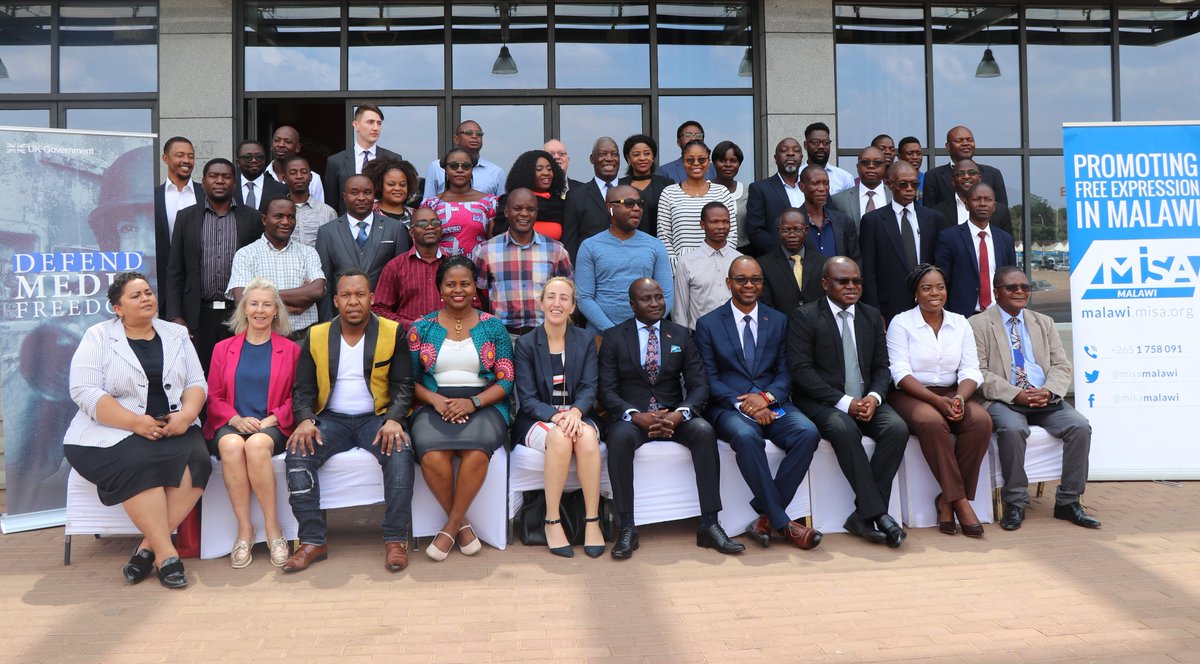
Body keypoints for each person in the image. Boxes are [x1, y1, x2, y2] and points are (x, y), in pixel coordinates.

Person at [63, 272, 208, 588]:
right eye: (136, 295)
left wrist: (187, 414)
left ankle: (146, 547)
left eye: (148, 292)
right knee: (140, 462)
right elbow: (84, 390)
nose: (146, 298)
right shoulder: (98, 336)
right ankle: (167, 554)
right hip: (110, 431)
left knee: (199, 460)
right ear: (117, 308)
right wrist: (134, 422)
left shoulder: (176, 334)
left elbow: (197, 382)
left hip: (170, 425)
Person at [598, 278, 743, 559]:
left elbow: (699, 384)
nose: (655, 304)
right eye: (646, 299)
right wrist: (635, 415)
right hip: (635, 417)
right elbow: (607, 390)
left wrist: (681, 413)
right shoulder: (615, 337)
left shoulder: (681, 335)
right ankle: (627, 526)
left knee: (703, 431)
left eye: (659, 297)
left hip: (673, 415)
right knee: (618, 438)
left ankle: (710, 524)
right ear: (632, 304)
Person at [283, 269, 415, 573]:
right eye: (346, 295)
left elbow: (403, 385)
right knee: (298, 453)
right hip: (331, 420)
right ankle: (313, 540)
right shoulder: (316, 335)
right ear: (336, 300)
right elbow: (303, 388)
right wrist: (304, 419)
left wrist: (394, 419)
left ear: (371, 298)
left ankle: (395, 540)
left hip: (377, 418)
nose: (353, 301)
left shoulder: (392, 332)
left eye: (359, 294)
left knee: (399, 453)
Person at [694, 258, 824, 551]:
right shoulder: (708, 324)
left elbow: (787, 372)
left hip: (773, 402)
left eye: (755, 280)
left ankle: (764, 515)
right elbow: (708, 379)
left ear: (762, 284)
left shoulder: (778, 320)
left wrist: (765, 399)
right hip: (729, 406)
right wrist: (745, 405)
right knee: (746, 436)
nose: (749, 285)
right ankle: (784, 522)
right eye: (741, 280)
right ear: (729, 283)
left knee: (807, 432)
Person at [788, 257, 909, 547]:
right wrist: (844, 402)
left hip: (867, 398)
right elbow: (801, 371)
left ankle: (862, 516)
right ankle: (879, 513)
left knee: (897, 428)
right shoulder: (805, 317)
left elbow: (882, 367)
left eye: (857, 281)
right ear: (825, 283)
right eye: (844, 281)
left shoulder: (870, 315)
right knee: (844, 429)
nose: (852, 287)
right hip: (823, 401)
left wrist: (874, 397)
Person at [970, 266, 1099, 531]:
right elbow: (978, 372)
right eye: (1012, 287)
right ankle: (1015, 503)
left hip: (1044, 398)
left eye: (1025, 287)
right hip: (1005, 399)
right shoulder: (977, 324)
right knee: (1013, 429)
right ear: (996, 292)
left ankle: (1068, 502)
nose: (1020, 292)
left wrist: (1049, 391)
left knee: (1080, 426)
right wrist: (1017, 394)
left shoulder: (1044, 322)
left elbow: (1061, 365)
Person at [406, 256, 514, 561]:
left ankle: (451, 527)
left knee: (477, 451)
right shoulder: (421, 327)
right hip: (433, 402)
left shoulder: (493, 326)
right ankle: (463, 526)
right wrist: (436, 400)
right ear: (439, 287)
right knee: (431, 453)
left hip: (485, 404)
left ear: (474, 287)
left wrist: (474, 402)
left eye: (465, 283)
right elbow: (407, 380)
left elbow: (506, 381)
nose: (458, 290)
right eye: (450, 284)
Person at [886, 264, 991, 538]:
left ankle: (946, 499)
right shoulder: (901, 322)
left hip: (953, 391)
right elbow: (900, 372)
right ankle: (961, 503)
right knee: (931, 421)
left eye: (940, 287)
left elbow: (971, 370)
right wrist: (935, 400)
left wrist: (959, 397)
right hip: (912, 393)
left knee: (980, 421)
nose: (935, 293)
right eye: (927, 288)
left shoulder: (960, 322)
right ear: (915, 294)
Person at [204, 277, 301, 568]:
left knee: (257, 445)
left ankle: (273, 529)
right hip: (230, 421)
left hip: (272, 424)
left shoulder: (291, 350)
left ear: (276, 311)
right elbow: (213, 396)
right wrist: (234, 418)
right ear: (244, 308)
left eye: (267, 304)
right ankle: (244, 529)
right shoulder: (223, 348)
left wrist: (273, 418)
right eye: (254, 303)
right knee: (232, 446)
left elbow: (298, 396)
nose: (260, 310)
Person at [512, 277, 604, 558]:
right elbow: (526, 399)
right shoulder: (527, 344)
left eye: (564, 298)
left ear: (573, 306)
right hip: (539, 417)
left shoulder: (586, 340)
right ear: (541, 303)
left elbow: (590, 387)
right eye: (551, 297)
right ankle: (552, 520)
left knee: (587, 437)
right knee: (561, 439)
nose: (557, 303)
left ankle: (592, 521)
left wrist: (575, 412)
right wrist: (558, 417)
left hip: (577, 413)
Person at [164, 158, 263, 373]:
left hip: (239, 313)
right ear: (203, 182)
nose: (220, 181)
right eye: (213, 176)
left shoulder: (252, 218)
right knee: (200, 375)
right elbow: (175, 271)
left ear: (234, 183)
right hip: (198, 315)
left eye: (226, 177)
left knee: (237, 373)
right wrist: (175, 316)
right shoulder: (186, 217)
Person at [473, 188, 573, 337]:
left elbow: (568, 293)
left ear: (536, 213)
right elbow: (478, 295)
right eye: (517, 209)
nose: (524, 214)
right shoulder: (486, 251)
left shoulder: (556, 251)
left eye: (530, 209)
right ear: (507, 212)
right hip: (503, 336)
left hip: (545, 335)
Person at [575, 185, 674, 334]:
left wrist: (642, 328)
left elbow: (666, 294)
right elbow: (584, 297)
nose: (637, 208)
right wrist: (613, 332)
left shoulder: (655, 245)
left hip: (646, 335)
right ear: (610, 208)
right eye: (629, 203)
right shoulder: (590, 246)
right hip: (602, 337)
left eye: (640, 204)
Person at [314, 174, 411, 319]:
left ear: (374, 195)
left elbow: (403, 280)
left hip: (386, 319)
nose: (361, 198)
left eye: (367, 192)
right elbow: (325, 285)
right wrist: (327, 324)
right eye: (354, 193)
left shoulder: (395, 228)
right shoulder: (327, 232)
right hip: (341, 318)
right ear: (344, 196)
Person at [226, 198, 325, 338]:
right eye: (279, 216)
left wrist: (261, 297)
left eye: (290, 217)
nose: (285, 222)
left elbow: (317, 290)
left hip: (303, 340)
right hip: (263, 341)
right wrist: (297, 299)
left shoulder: (308, 252)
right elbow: (241, 298)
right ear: (264, 219)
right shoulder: (246, 254)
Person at [860, 161, 945, 322]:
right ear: (890, 185)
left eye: (914, 184)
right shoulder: (873, 221)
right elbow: (868, 272)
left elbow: (939, 264)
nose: (909, 189)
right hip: (889, 306)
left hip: (929, 303)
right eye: (903, 184)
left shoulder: (933, 218)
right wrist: (874, 313)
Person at [934, 183, 1017, 317]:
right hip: (962, 315)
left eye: (988, 200)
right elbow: (942, 280)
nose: (983, 203)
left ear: (994, 206)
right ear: (966, 204)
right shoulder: (949, 237)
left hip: (999, 313)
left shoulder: (1005, 239)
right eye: (977, 199)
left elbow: (1012, 278)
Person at [372, 207, 463, 329]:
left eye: (435, 223)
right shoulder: (395, 267)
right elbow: (379, 309)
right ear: (411, 232)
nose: (430, 227)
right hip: (409, 340)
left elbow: (472, 304)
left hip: (450, 339)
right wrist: (412, 326)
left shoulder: (455, 266)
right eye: (422, 224)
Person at [656, 140, 739, 265]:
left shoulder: (722, 192)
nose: (696, 164)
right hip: (680, 266)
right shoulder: (669, 193)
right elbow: (664, 236)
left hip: (718, 264)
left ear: (708, 162)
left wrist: (721, 262)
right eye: (690, 160)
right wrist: (677, 268)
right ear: (683, 162)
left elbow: (732, 233)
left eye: (701, 160)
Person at [672, 202, 741, 329]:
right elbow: (680, 310)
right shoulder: (686, 262)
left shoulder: (740, 260)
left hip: (736, 332)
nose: (721, 226)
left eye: (726, 221)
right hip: (700, 335)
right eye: (714, 222)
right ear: (702, 225)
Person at [324, 104, 402, 214]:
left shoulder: (393, 159)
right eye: (370, 122)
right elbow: (331, 204)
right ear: (356, 125)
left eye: (379, 123)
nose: (376, 128)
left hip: (385, 225)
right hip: (347, 226)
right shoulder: (336, 161)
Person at [420, 148, 498, 257]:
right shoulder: (430, 204)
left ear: (471, 170)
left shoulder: (490, 203)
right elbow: (422, 242)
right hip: (440, 270)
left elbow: (493, 243)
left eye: (465, 166)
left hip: (479, 269)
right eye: (453, 166)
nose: (460, 170)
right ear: (446, 170)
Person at [561, 137, 622, 260]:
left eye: (614, 154)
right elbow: (570, 245)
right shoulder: (576, 196)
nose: (609, 159)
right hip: (590, 270)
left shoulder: (633, 193)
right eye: (603, 154)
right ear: (592, 159)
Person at [154, 136, 201, 292]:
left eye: (191, 156)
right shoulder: (153, 198)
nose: (186, 160)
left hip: (200, 278)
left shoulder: (205, 195)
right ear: (165, 158)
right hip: (164, 280)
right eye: (180, 155)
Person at [922, 125, 1009, 208]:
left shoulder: (993, 174)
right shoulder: (933, 176)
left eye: (969, 140)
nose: (965, 143)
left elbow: (1001, 213)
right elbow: (930, 215)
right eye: (959, 140)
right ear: (948, 146)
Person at [746, 137, 805, 256]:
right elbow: (756, 231)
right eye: (784, 150)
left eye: (796, 150)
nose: (790, 153)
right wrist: (782, 254)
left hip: (812, 261)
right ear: (775, 158)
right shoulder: (760, 189)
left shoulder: (813, 187)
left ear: (801, 158)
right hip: (776, 261)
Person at [759, 209, 823, 316]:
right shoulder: (763, 265)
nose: (792, 235)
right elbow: (765, 303)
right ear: (779, 231)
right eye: (786, 230)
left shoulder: (822, 263)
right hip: (781, 327)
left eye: (797, 230)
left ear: (806, 230)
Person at [494, 150, 567, 240]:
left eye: (549, 169)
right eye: (539, 169)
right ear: (526, 173)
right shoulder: (508, 202)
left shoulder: (560, 205)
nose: (546, 173)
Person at [422, 120, 505, 199]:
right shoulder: (437, 166)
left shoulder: (496, 172)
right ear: (456, 139)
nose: (474, 136)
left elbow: (502, 207)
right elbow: (428, 204)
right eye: (468, 133)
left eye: (479, 134)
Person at [932, 158, 1014, 236]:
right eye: (960, 173)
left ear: (980, 178)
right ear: (953, 181)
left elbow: (1006, 247)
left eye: (971, 173)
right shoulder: (938, 212)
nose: (966, 177)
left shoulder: (1001, 212)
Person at [797, 165, 860, 264]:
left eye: (826, 183)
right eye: (815, 183)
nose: (822, 188)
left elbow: (855, 260)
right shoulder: (791, 222)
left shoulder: (844, 222)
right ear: (801, 187)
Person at [618, 133, 674, 240]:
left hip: (660, 245)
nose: (642, 158)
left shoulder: (667, 184)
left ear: (653, 156)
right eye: (636, 154)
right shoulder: (619, 186)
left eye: (647, 153)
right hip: (627, 245)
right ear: (628, 158)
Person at [830, 146, 893, 227]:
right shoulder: (838, 200)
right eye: (865, 162)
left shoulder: (895, 196)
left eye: (877, 163)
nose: (871, 166)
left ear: (884, 167)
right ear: (857, 167)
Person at [283, 155, 337, 248]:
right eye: (293, 172)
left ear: (311, 177)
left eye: (304, 172)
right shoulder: (278, 212)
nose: (299, 176)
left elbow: (335, 246)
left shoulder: (328, 212)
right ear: (284, 179)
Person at [266, 125, 324, 204]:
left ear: (297, 147)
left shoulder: (313, 178)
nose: (281, 144)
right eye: (277, 140)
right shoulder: (261, 176)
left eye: (288, 141)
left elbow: (320, 211)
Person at [712, 140, 750, 251]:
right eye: (722, 160)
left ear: (739, 164)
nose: (728, 165)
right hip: (713, 250)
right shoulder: (705, 190)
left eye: (733, 161)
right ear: (714, 163)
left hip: (745, 251)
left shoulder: (748, 191)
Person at [233, 139, 288, 215]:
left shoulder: (281, 189)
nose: (254, 160)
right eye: (247, 157)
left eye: (259, 157)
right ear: (238, 162)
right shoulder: (229, 188)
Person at [363, 156, 420, 226]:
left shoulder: (416, 215)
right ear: (379, 185)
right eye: (391, 184)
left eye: (402, 185)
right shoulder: (366, 213)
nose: (398, 188)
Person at [800, 122, 854, 195]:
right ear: (806, 145)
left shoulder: (844, 178)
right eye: (816, 142)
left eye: (826, 142)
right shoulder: (797, 175)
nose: (821, 146)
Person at [897, 136, 926, 205]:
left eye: (919, 154)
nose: (915, 157)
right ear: (899, 157)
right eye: (910, 153)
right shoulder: (894, 181)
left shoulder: (928, 179)